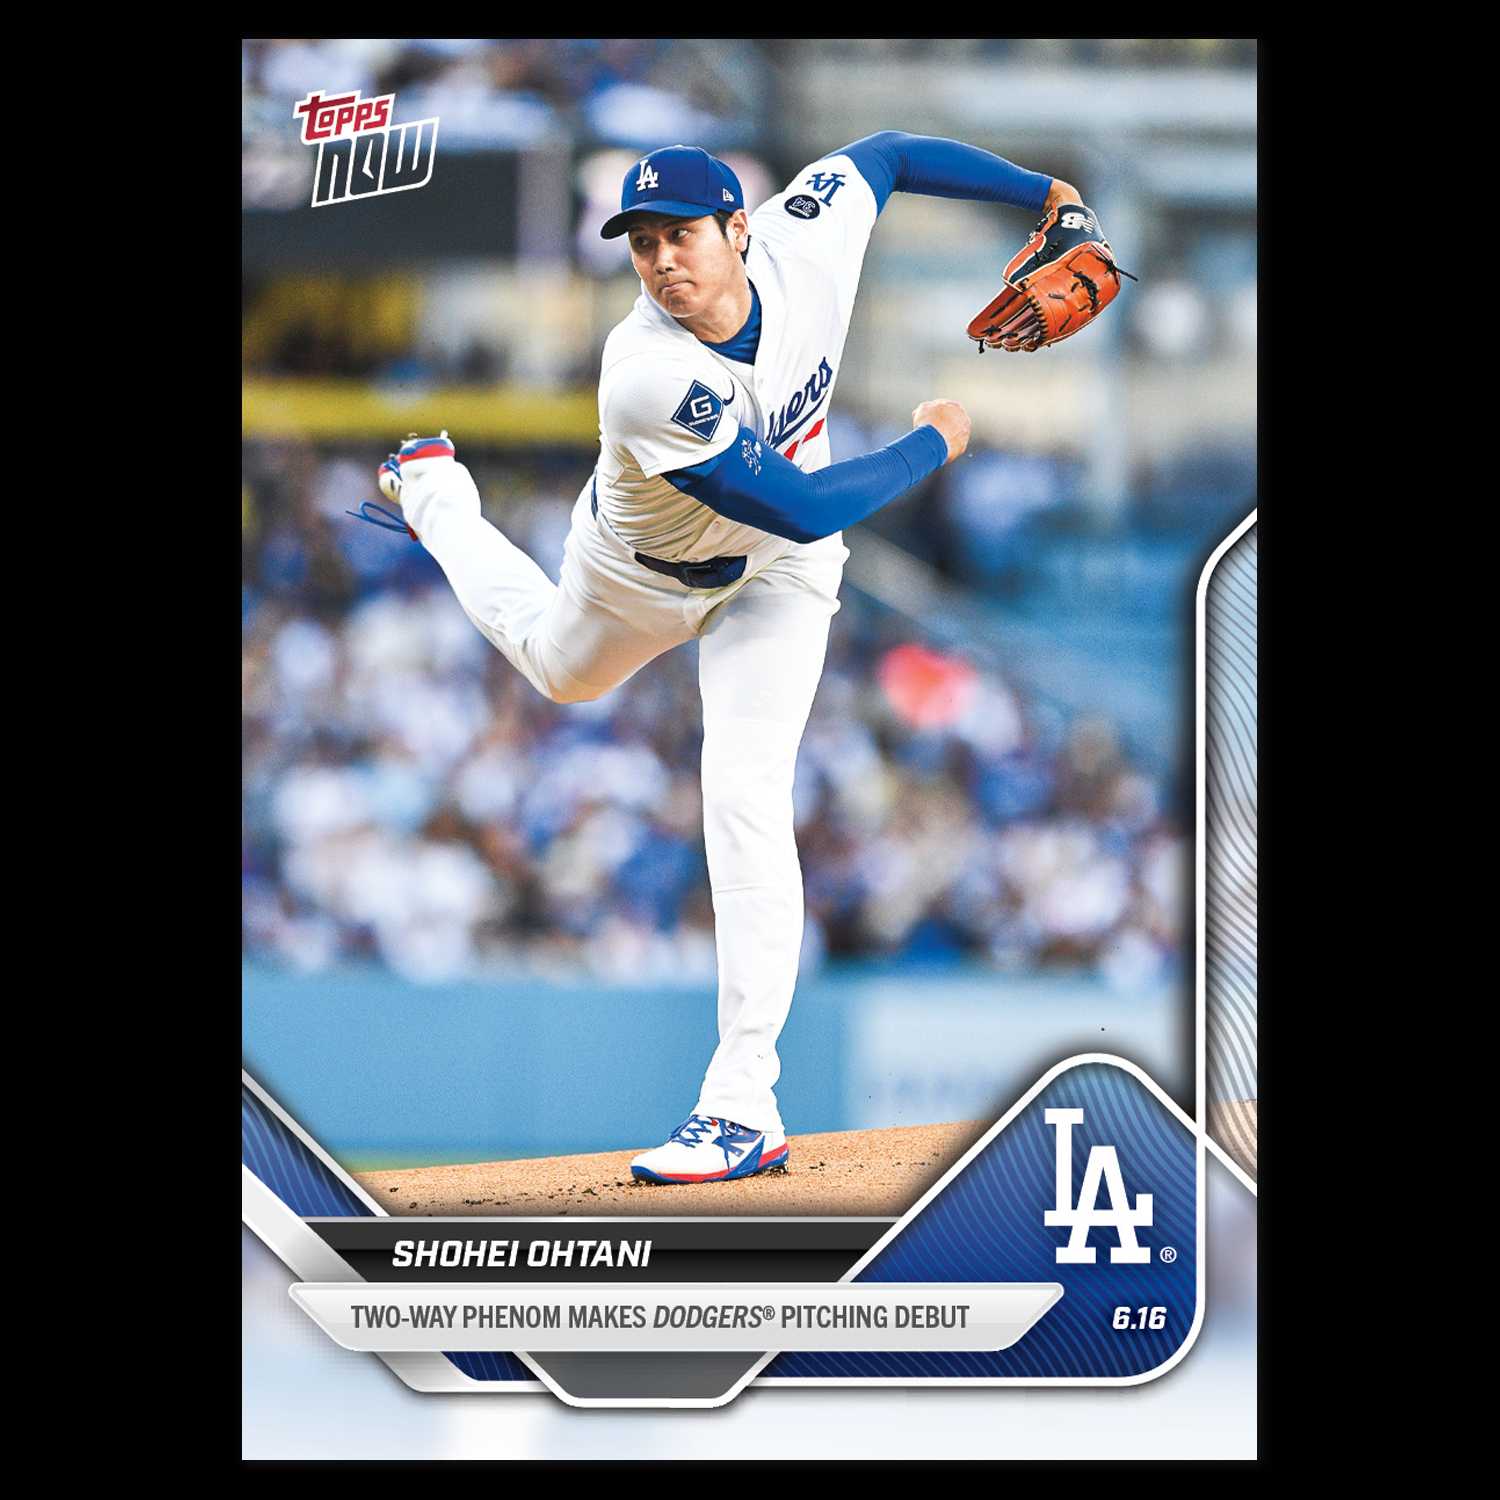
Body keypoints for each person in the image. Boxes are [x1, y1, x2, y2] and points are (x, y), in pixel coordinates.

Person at [378, 133, 1082, 1184]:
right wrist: (933, 441)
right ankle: (436, 491)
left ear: (739, 229)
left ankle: (741, 1103)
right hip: (637, 573)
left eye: (683, 234)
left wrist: (1044, 191)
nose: (663, 259)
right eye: (643, 243)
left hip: (775, 580)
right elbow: (796, 504)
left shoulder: (807, 238)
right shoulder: (645, 372)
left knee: (745, 795)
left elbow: (888, 156)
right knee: (558, 669)